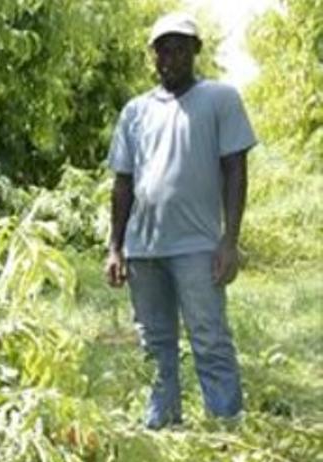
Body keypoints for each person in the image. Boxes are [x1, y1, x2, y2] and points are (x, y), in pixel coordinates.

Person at [105, 13, 257, 429]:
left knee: (209, 341)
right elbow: (123, 183)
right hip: (143, 249)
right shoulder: (135, 112)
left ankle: (227, 431)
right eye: (162, 49)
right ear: (153, 56)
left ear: (195, 51)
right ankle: (163, 429)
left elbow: (235, 171)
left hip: (197, 247)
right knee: (155, 346)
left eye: (179, 47)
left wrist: (230, 241)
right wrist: (115, 247)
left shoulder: (220, 100)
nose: (170, 56)